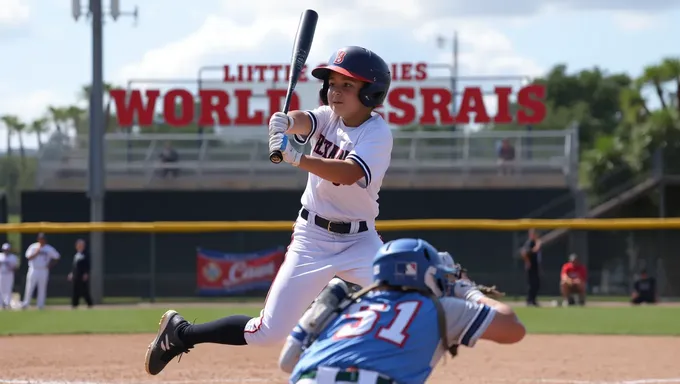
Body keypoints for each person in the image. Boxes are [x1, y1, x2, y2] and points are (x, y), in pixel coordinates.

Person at [144, 46, 394, 376]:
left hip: (360, 242)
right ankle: (180, 333)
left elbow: (347, 173)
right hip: (313, 239)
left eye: (348, 85)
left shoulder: (377, 132)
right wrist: (288, 121)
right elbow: (308, 119)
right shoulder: (328, 116)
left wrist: (297, 157)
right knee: (267, 334)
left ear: (371, 92)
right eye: (332, 83)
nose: (335, 91)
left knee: (402, 302)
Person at [278, 238, 525, 384]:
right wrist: (469, 292)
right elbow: (513, 329)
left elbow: (287, 362)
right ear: (427, 275)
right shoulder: (439, 308)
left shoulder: (348, 306)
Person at [21, 233, 60, 310]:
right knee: (29, 287)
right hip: (33, 269)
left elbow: (57, 257)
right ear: (38, 239)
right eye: (40, 239)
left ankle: (40, 305)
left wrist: (50, 265)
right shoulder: (33, 247)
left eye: (43, 239)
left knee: (42, 288)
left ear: (45, 240)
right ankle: (26, 303)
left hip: (43, 269)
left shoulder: (49, 248)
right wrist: (36, 252)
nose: (41, 240)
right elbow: (28, 257)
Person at [68, 239, 93, 309]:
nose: (79, 246)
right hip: (76, 274)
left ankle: (89, 303)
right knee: (75, 289)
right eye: (78, 245)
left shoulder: (86, 254)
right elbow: (74, 266)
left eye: (81, 245)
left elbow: (88, 265)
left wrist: (86, 273)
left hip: (82, 274)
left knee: (84, 290)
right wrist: (71, 273)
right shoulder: (76, 255)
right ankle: (74, 304)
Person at [521, 228, 542, 306]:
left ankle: (533, 300)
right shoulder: (530, 242)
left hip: (535, 266)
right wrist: (528, 262)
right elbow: (524, 253)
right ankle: (529, 300)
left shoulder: (534, 242)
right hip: (531, 267)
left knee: (536, 284)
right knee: (532, 284)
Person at [0, 242, 19, 309]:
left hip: (9, 274)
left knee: (8, 289)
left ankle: (7, 303)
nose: (6, 251)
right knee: (1, 289)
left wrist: (12, 268)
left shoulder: (13, 257)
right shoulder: (0, 256)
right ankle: (1, 303)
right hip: (1, 273)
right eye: (5, 249)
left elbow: (16, 267)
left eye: (7, 249)